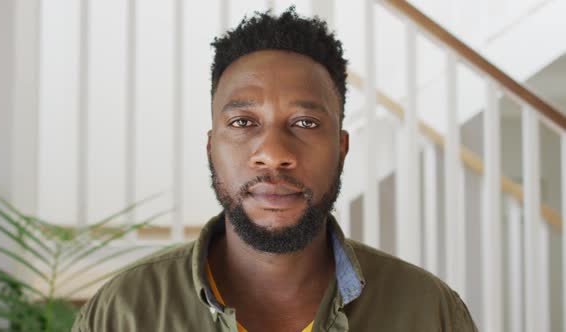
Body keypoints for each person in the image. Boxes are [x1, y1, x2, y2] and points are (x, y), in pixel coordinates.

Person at [72, 7, 477, 332]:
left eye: (305, 123)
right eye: (244, 122)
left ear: (341, 148)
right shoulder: (121, 315)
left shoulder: (430, 313)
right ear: (212, 148)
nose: (273, 154)